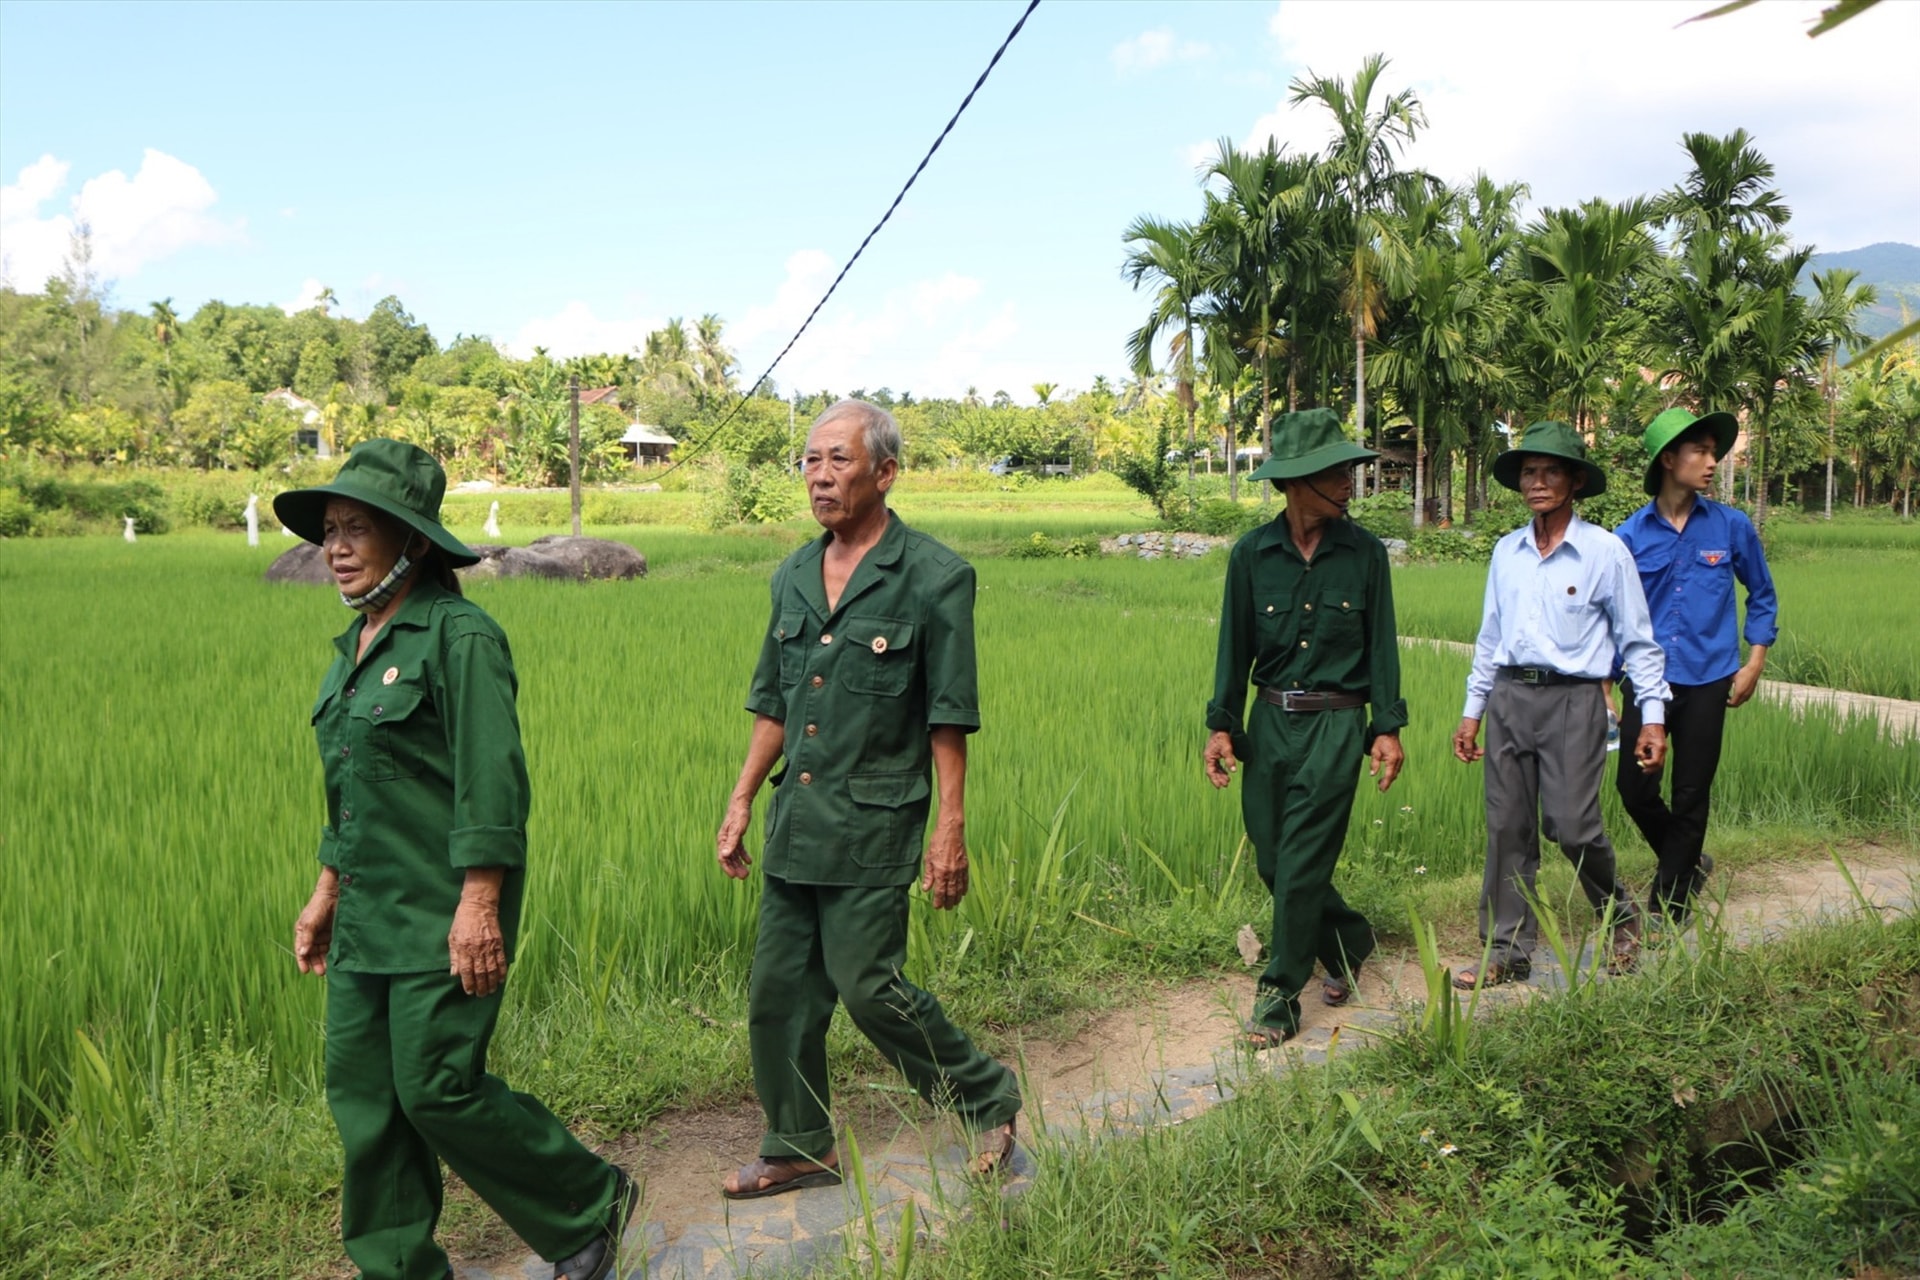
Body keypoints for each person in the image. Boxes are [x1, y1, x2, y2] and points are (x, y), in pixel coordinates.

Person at [279, 440, 635, 1280]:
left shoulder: (460, 637)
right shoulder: (355, 648)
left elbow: (491, 782)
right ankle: (398, 1267)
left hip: (444, 908)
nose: (333, 547)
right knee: (367, 1100)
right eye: (329, 529)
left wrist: (479, 905)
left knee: (436, 1085)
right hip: (370, 909)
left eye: (355, 528)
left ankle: (589, 1201)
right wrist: (324, 891)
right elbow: (351, 793)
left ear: (413, 541)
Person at [716, 400, 1021, 1198]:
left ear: (885, 472)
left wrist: (949, 831)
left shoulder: (936, 577)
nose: (819, 476)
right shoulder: (791, 574)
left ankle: (986, 1096)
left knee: (867, 986)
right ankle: (800, 1143)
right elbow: (774, 702)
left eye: (838, 460)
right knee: (778, 991)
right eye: (811, 460)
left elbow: (949, 717)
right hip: (797, 819)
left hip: (876, 821)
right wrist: (742, 799)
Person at [1204, 408, 1406, 1048]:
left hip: (1338, 727)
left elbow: (1382, 650)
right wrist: (1221, 727)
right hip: (1269, 725)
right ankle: (1348, 939)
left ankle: (1278, 994)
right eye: (1333, 472)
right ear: (1294, 483)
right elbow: (1233, 651)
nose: (1349, 482)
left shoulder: (1366, 554)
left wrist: (1386, 726)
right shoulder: (1251, 555)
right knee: (1272, 859)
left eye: (1349, 469)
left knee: (1301, 865)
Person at [1451, 421, 1669, 988]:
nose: (1537, 483)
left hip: (1575, 700)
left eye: (1551, 472)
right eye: (1529, 472)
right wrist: (1474, 711)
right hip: (1509, 697)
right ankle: (1506, 950)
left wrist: (1653, 719)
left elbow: (1640, 643)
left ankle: (1620, 914)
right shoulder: (1508, 552)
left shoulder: (1604, 552)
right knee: (1506, 828)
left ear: (1575, 481)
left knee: (1571, 825)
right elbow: (1490, 637)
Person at [1613, 407, 1777, 926]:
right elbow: (1609, 616)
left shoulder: (1731, 526)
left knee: (1691, 792)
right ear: (1669, 459)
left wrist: (1754, 662)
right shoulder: (1629, 536)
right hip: (1648, 683)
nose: (1712, 462)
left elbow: (1763, 595)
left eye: (1714, 452)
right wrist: (1603, 684)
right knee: (1634, 790)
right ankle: (1687, 863)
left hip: (1710, 677)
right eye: (1700, 452)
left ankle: (1670, 906)